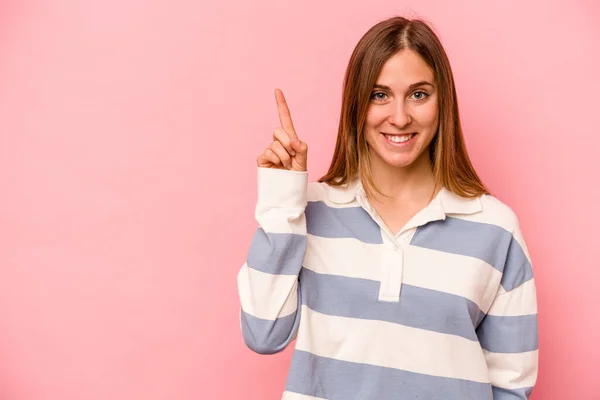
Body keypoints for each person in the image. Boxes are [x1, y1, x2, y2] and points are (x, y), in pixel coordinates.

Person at [236, 16, 538, 400]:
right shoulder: (307, 209)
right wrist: (282, 198)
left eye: (418, 94)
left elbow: (511, 386)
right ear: (356, 106)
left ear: (442, 101)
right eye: (379, 95)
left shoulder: (495, 227)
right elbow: (263, 334)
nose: (399, 117)